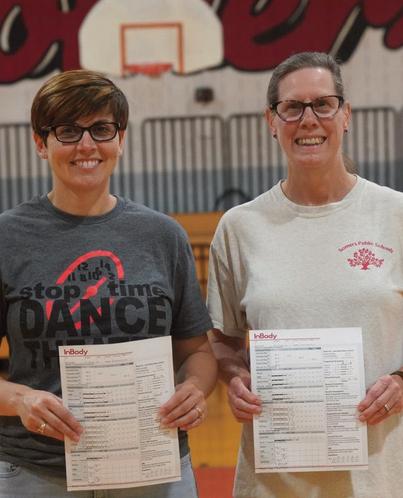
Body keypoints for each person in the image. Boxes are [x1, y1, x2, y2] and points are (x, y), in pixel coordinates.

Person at [0, 69, 217, 498]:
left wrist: (194, 389)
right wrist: (20, 399)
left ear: (121, 139)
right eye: (68, 131)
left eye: (101, 129)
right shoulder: (8, 236)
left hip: (154, 465)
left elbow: (198, 351)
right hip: (37, 472)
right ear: (41, 143)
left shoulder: (162, 235)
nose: (86, 145)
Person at [207, 51, 403, 498]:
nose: (308, 119)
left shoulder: (396, 214)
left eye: (323, 104)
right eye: (292, 107)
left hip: (383, 479)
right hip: (274, 482)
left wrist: (401, 383)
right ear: (271, 121)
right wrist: (234, 377)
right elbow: (221, 338)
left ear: (346, 115)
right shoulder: (239, 227)